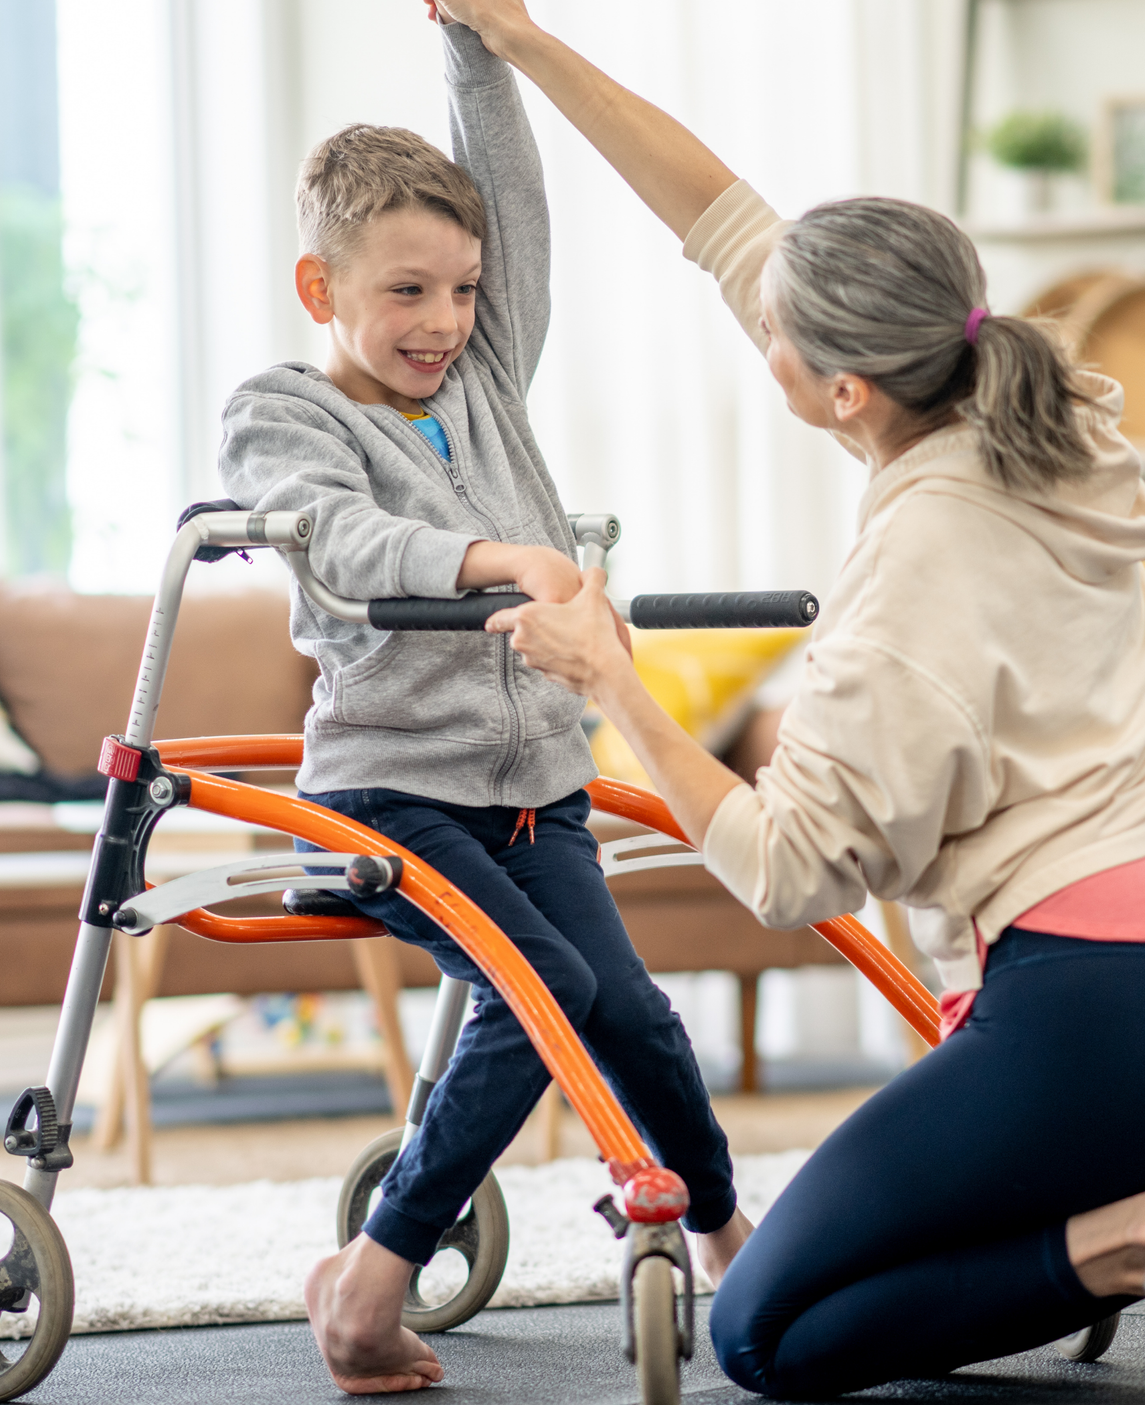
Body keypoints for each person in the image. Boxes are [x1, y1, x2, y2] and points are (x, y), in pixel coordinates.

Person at [443, 1, 1145, 1399]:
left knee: (769, 1332)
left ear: (847, 392)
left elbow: (787, 871)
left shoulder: (911, 579)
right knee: (907, 1237)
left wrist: (610, 681)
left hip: (1107, 1027)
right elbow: (718, 217)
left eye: (778, 337)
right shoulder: (1044, 410)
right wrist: (518, 37)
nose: (759, 329)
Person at [215, 17, 752, 1394]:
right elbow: (334, 538)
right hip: (386, 793)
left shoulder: (486, 374)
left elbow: (509, 195)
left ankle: (723, 1237)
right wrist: (501, 556)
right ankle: (368, 1288)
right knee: (541, 994)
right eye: (405, 292)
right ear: (318, 285)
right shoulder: (280, 413)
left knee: (631, 1017)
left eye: (460, 291)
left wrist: (480, 44)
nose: (442, 321)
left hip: (533, 795)